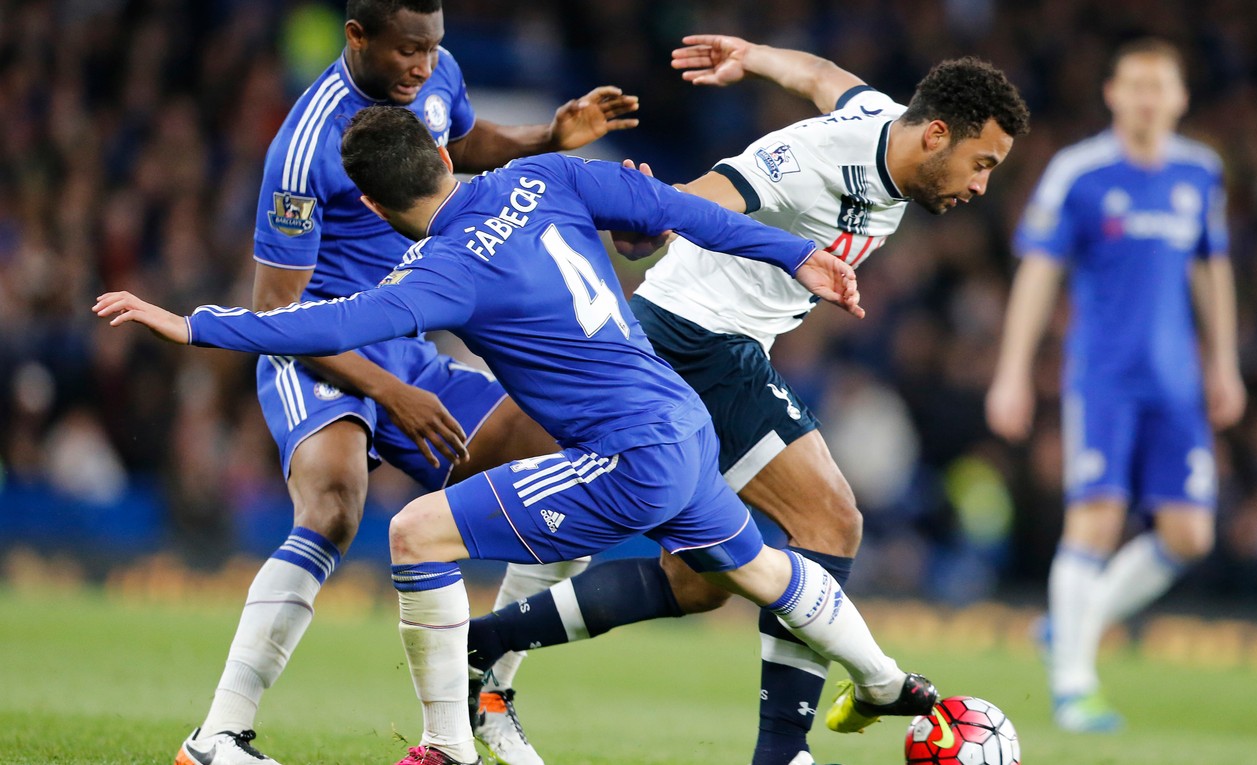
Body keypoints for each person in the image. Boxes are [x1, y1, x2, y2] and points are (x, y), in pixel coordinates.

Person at [95, 104, 941, 765]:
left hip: (626, 457)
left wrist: (192, 324)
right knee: (760, 569)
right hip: (684, 423)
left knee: (415, 532)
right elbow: (676, 208)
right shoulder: (546, 177)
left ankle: (448, 745)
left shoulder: (444, 269)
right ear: (444, 157)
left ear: (377, 205)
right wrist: (792, 255)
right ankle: (885, 678)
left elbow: (322, 324)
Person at [470, 36, 1029, 765]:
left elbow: (821, 75)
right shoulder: (815, 163)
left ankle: (481, 646)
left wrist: (751, 55)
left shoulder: (880, 119)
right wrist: (648, 219)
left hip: (700, 341)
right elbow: (712, 193)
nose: (981, 186)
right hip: (697, 341)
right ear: (936, 136)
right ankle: (785, 749)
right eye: (982, 163)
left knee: (696, 583)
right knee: (829, 520)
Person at [173, 1, 637, 763]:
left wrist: (548, 137)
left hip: (403, 344)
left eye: (432, 47)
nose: (422, 66)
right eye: (406, 50)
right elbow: (277, 310)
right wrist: (389, 393)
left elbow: (460, 146)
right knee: (333, 504)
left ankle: (490, 689)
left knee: (565, 450)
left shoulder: (437, 73)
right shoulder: (304, 145)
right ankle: (217, 735)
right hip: (318, 345)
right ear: (357, 37)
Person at [985, 38, 1244, 732]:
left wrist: (1224, 361)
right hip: (1103, 378)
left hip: (1177, 381)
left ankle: (1071, 623)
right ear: (1112, 94)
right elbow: (1038, 272)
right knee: (1096, 519)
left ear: (1180, 98)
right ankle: (1074, 687)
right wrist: (1012, 372)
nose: (1147, 98)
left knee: (1190, 533)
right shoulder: (1080, 173)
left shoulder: (1200, 172)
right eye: (1135, 85)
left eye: (1160, 86)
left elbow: (1211, 268)